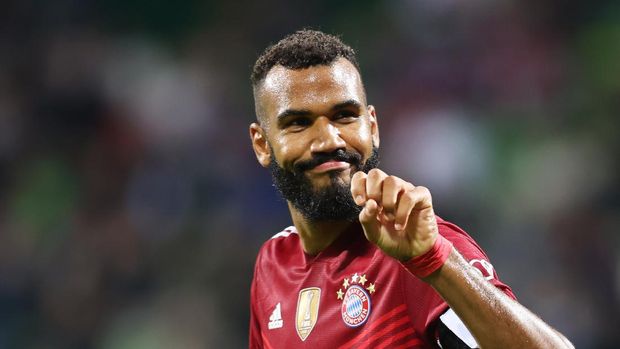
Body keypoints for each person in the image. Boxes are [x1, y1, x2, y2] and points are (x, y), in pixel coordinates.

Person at [248, 29, 573, 349]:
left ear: (372, 127)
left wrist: (434, 262)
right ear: (262, 144)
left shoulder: (417, 251)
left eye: (345, 116)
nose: (329, 140)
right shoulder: (273, 263)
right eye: (299, 123)